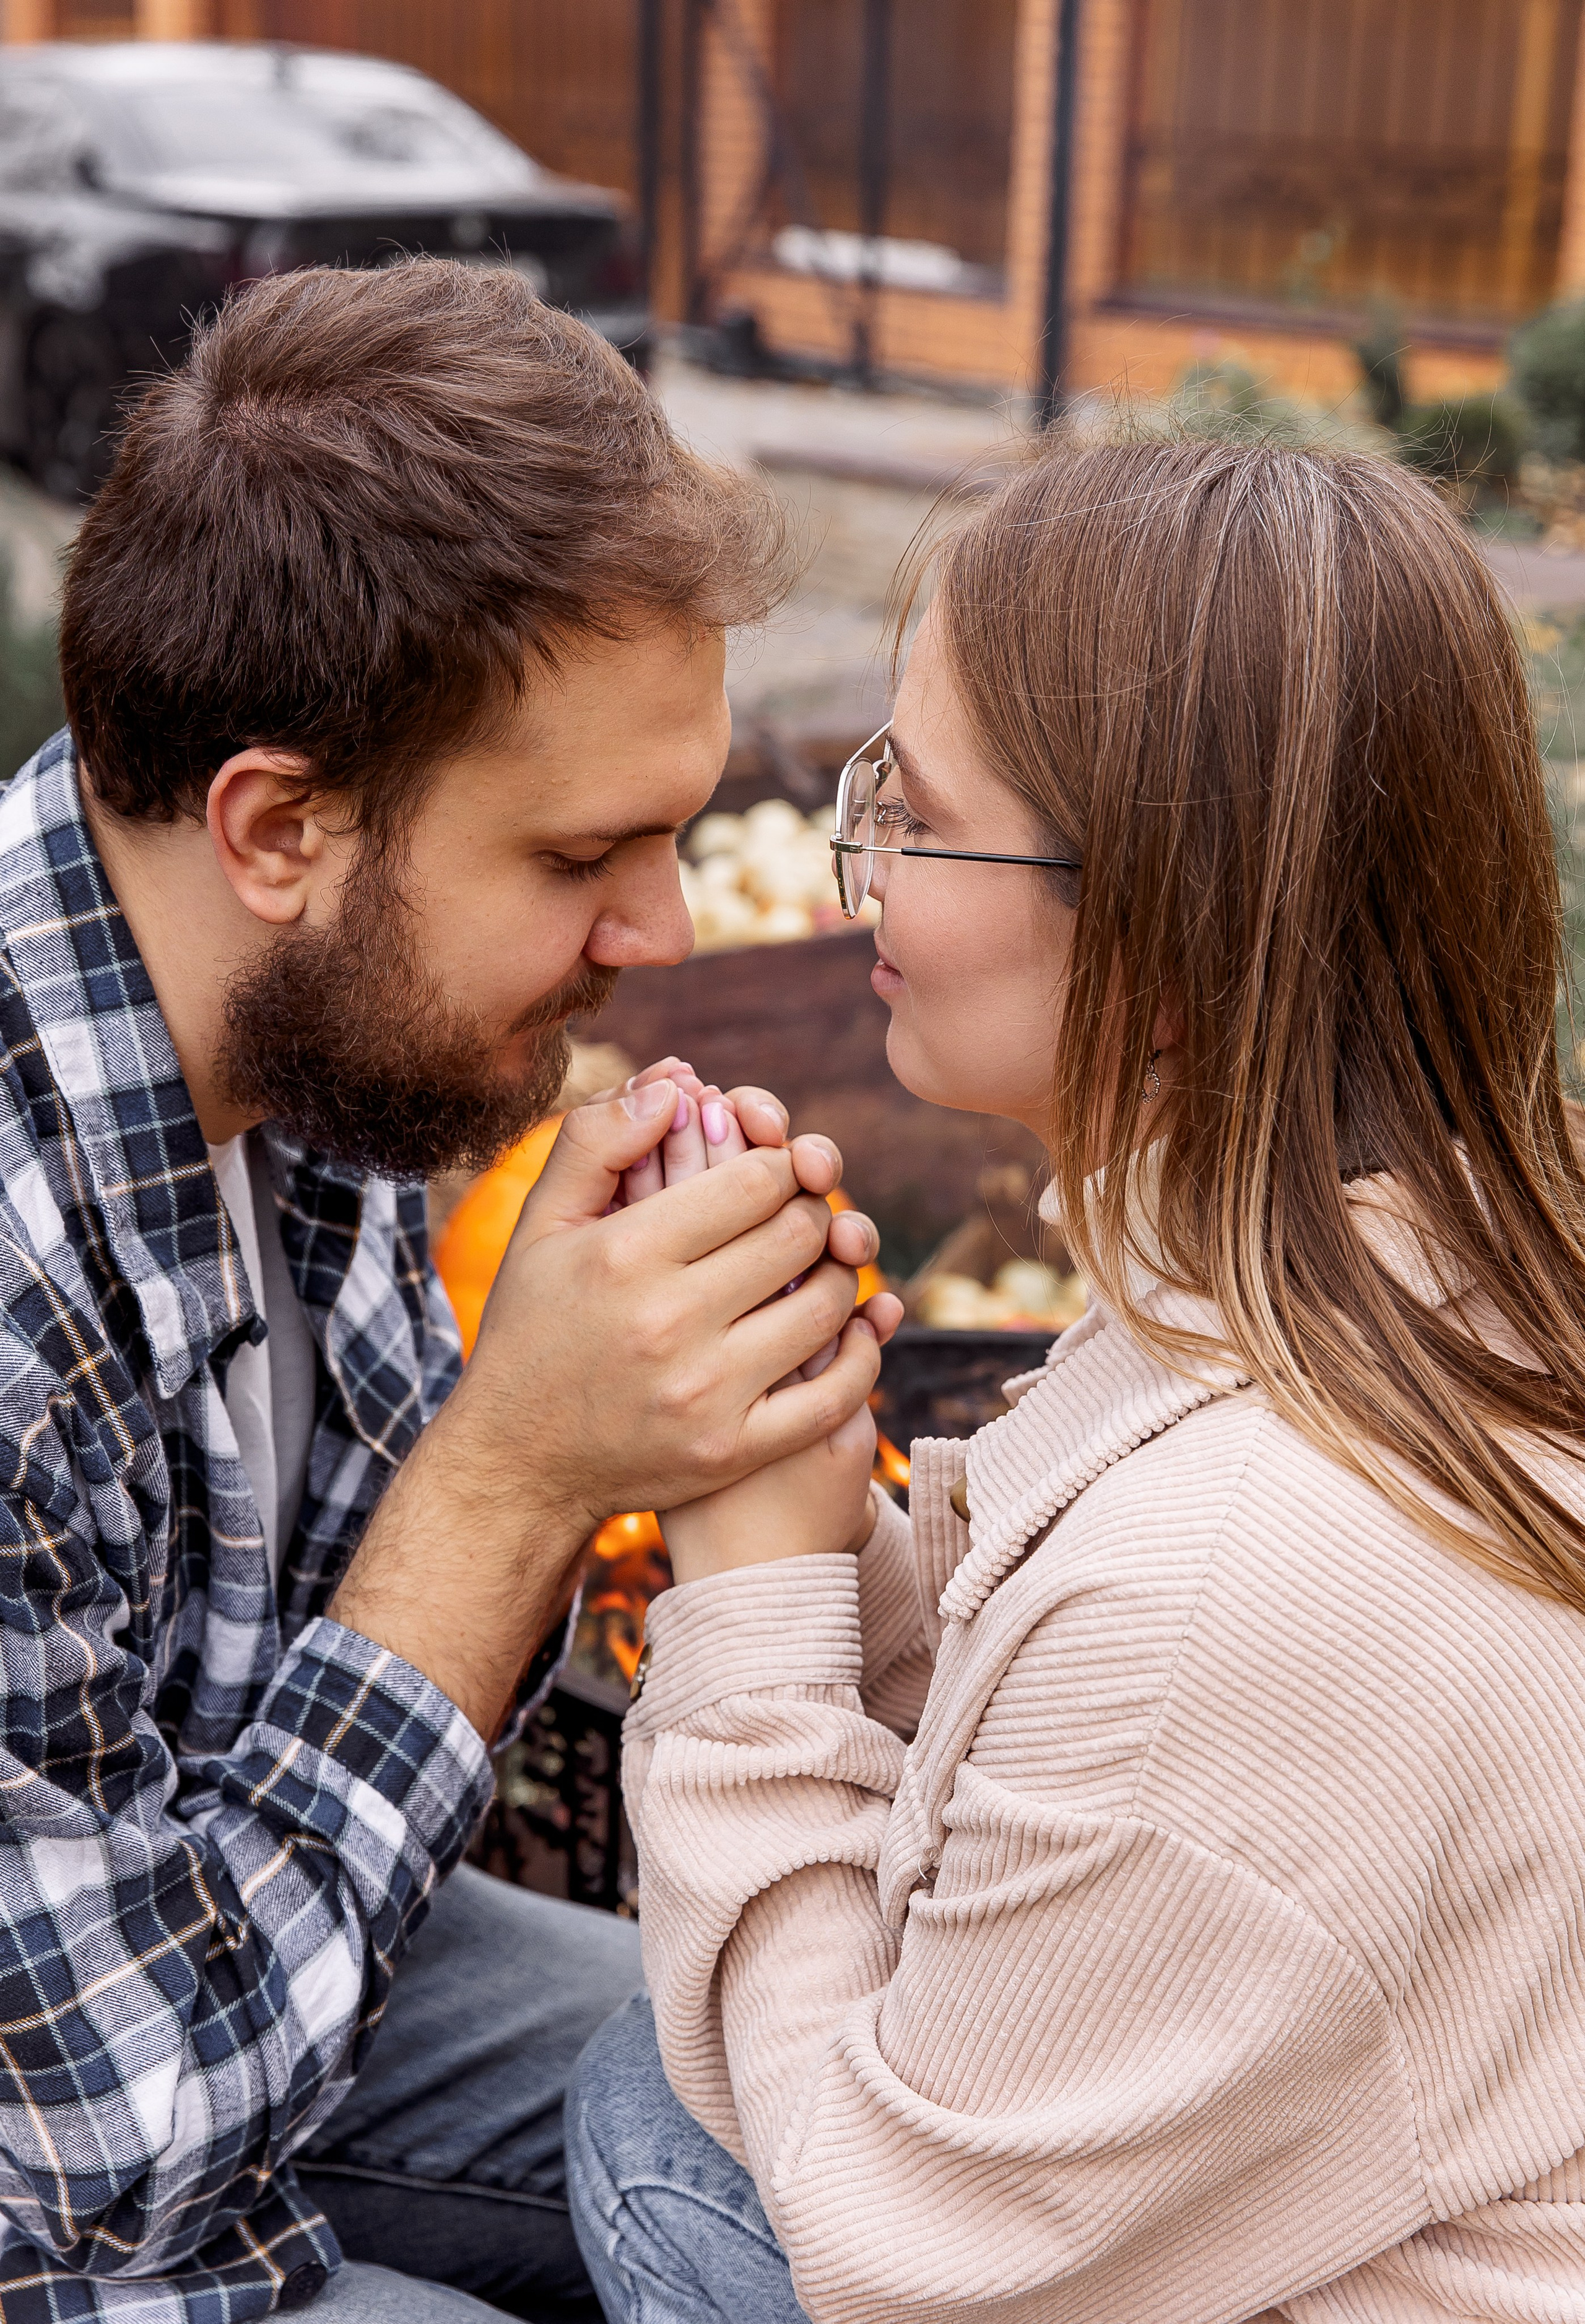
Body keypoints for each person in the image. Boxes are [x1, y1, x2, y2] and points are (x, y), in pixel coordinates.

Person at [566, 434, 1585, 2324]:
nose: (862, 868)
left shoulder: (1237, 1575)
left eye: (917, 812)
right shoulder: (1409, 1281)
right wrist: (838, 1532)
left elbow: (886, 2252)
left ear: (1166, 940)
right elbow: (1084, 1760)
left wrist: (755, 1605)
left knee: (649, 2122)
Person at [0, 258, 893, 2322]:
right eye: (584, 856)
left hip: (214, 1947)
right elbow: (100, 2154)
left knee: (822, 2146)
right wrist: (517, 1472)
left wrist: (667, 1422)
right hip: (70, 2139)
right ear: (278, 825)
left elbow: (356, 1716)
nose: (664, 931)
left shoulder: (317, 1048)